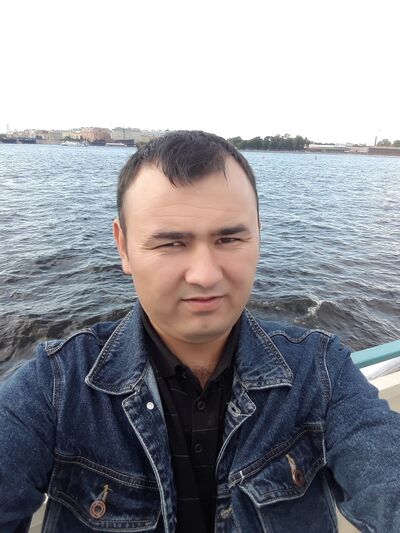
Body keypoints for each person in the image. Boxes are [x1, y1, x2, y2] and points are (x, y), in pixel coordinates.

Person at [0, 131, 399, 533]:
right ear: (123, 247)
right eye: (172, 243)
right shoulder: (55, 388)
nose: (205, 275)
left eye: (229, 238)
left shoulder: (320, 373)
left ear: (258, 234)